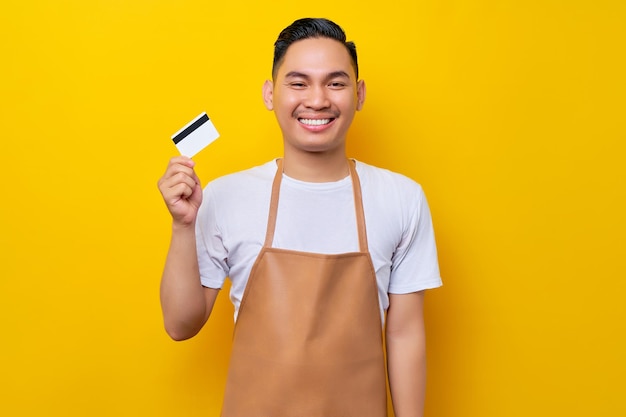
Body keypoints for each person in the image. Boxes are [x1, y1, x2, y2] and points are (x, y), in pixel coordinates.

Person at [158, 17, 442, 417]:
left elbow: (405, 333)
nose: (318, 99)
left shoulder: (401, 198)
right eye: (298, 83)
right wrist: (182, 227)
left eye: (336, 83)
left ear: (358, 94)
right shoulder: (224, 196)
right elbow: (180, 325)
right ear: (270, 94)